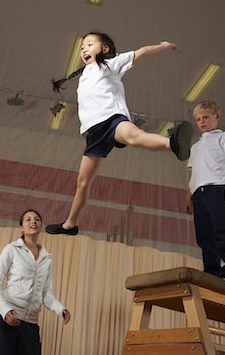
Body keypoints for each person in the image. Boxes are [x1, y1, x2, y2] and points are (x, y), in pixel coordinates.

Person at [46, 31, 193, 236]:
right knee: (82, 182)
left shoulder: (109, 64)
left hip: (113, 120)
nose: (84, 49)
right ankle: (70, 224)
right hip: (93, 133)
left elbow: (142, 52)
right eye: (82, 47)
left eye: (89, 44)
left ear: (104, 49)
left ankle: (172, 144)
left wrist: (164, 45)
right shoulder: (85, 75)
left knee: (135, 136)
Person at [0, 209, 71, 355]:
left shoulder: (46, 258)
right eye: (28, 219)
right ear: (21, 227)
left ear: (40, 226)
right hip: (4, 322)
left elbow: (45, 293)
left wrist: (60, 309)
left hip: (29, 326)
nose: (33, 222)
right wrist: (5, 311)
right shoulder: (11, 250)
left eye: (37, 219)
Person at [186, 100, 225, 279]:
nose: (202, 122)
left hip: (218, 188)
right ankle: (212, 272)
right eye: (198, 119)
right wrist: (188, 196)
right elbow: (193, 173)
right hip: (199, 193)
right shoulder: (194, 147)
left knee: (223, 229)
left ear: (217, 117)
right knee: (204, 235)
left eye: (206, 117)